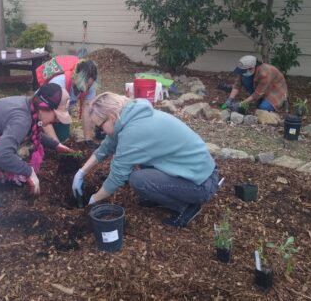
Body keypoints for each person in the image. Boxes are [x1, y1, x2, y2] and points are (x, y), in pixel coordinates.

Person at [71, 92, 219, 228]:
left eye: (100, 126)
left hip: (201, 184)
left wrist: (93, 201)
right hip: (195, 172)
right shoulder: (130, 116)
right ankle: (160, 196)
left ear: (112, 117)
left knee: (138, 179)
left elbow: (117, 177)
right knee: (140, 167)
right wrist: (81, 172)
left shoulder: (134, 131)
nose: (100, 131)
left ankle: (186, 207)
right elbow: (106, 147)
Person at [35, 55, 99, 147]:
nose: (86, 89)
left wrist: (88, 139)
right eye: (84, 85)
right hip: (41, 111)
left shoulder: (90, 85)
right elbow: (44, 113)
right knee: (44, 139)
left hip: (61, 112)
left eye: (89, 85)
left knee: (63, 138)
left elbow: (87, 110)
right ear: (75, 76)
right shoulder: (58, 84)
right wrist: (57, 145)